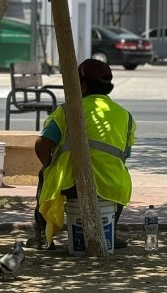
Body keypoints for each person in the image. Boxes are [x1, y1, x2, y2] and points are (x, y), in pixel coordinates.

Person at [33, 59, 136, 249]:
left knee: (43, 174)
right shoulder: (125, 115)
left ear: (83, 86)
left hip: (71, 183)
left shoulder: (67, 110)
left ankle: (41, 236)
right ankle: (109, 233)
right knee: (122, 176)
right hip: (111, 184)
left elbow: (42, 145)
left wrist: (50, 167)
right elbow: (124, 154)